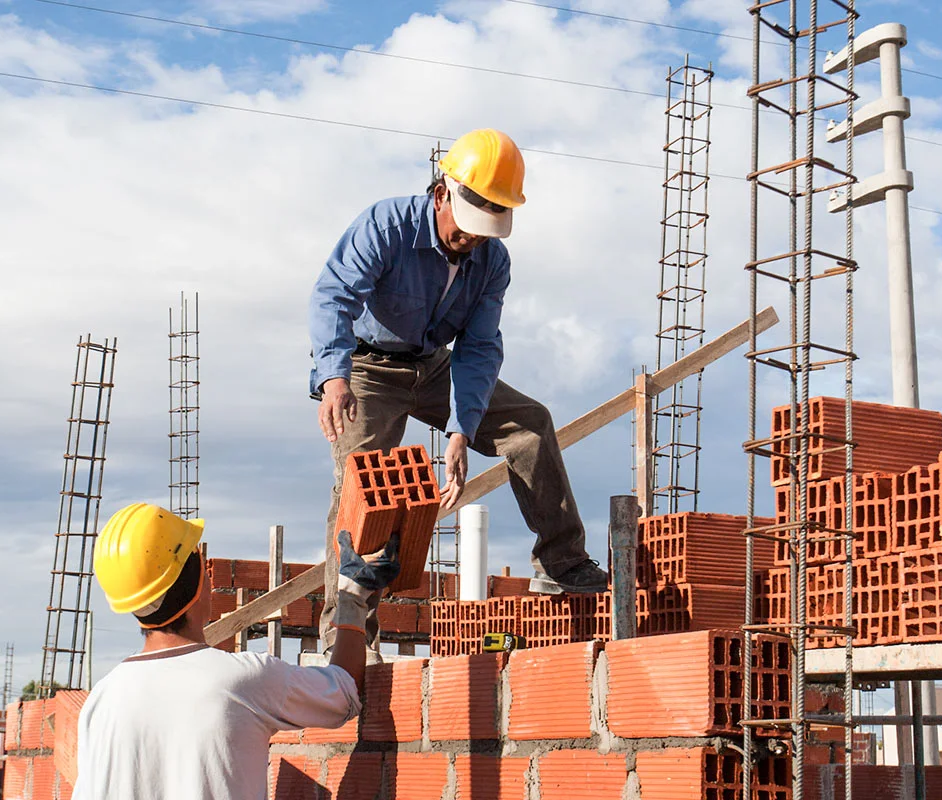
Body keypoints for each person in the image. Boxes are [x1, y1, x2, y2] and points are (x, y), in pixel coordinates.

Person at [309, 128, 609, 654]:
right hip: (368, 369)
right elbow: (333, 296)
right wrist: (334, 378)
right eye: (469, 224)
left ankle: (562, 562)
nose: (472, 238)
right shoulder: (386, 226)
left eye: (487, 227)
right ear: (442, 192)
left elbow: (479, 348)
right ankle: (348, 635)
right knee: (365, 486)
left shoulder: (492, 262)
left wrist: (459, 432)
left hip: (434, 365)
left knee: (529, 426)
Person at [72, 502, 401, 800]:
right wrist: (353, 597)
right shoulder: (241, 680)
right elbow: (342, 693)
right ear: (197, 580)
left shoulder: (101, 700)